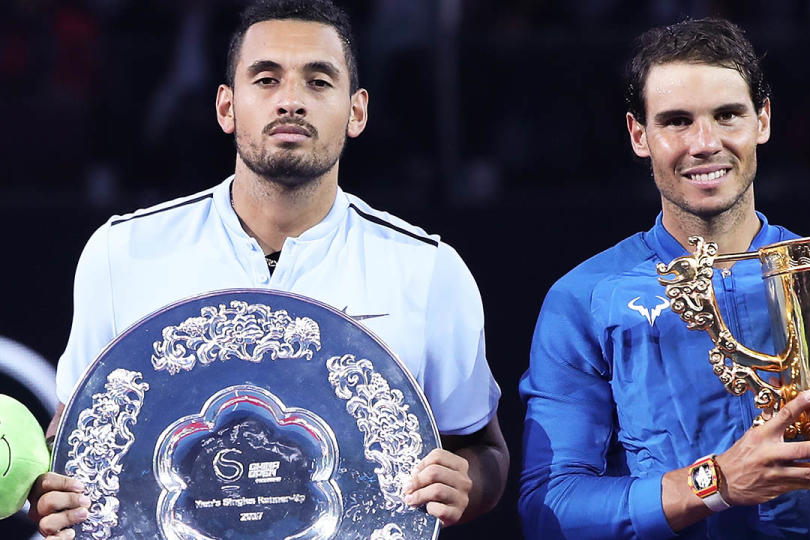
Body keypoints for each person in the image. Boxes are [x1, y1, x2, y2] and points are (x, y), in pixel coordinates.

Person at [29, 0, 509, 537]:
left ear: (357, 112)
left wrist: (466, 483)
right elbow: (69, 439)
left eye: (319, 81)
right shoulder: (122, 253)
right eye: (266, 78)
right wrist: (48, 490)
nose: (291, 101)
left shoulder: (428, 270)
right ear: (226, 107)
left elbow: (482, 449)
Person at [518, 18, 810, 538]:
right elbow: (550, 507)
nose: (704, 143)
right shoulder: (585, 298)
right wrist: (717, 483)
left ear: (763, 121)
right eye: (677, 121)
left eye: (727, 115)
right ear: (640, 136)